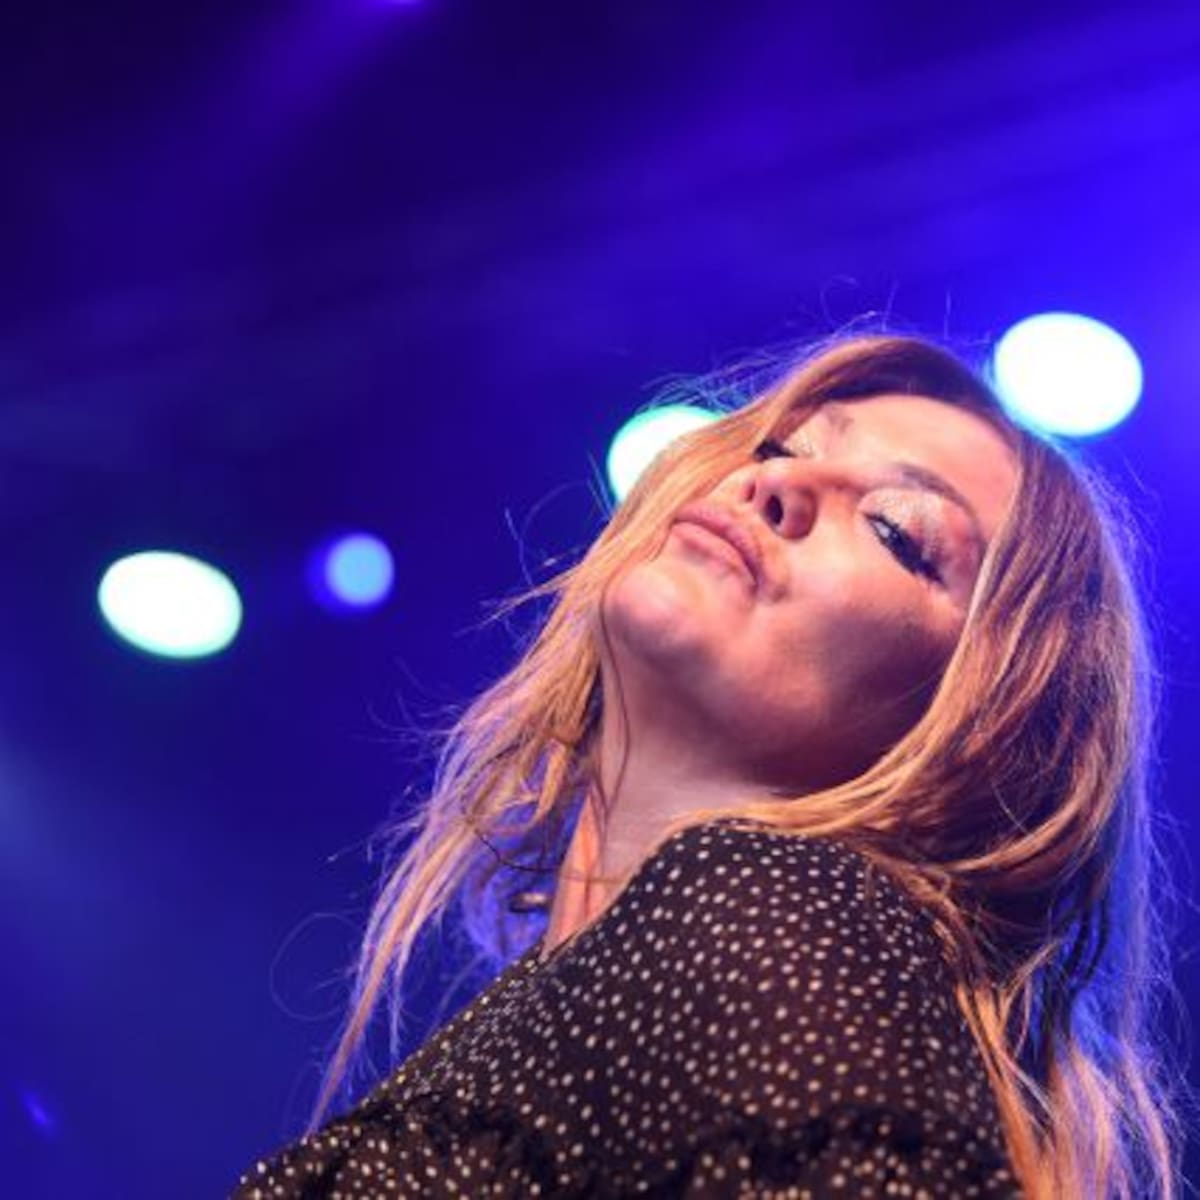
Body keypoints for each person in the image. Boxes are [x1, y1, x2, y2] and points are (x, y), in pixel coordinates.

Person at [233, 334, 1184, 1198]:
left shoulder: (764, 909)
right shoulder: (586, 996)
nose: (776, 484)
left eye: (895, 528)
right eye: (781, 448)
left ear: (981, 730)